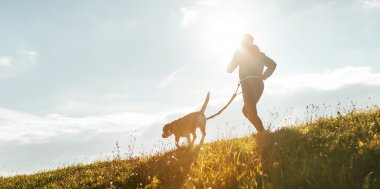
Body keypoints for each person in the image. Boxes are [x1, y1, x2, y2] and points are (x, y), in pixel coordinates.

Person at [227, 34, 276, 133]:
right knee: (246, 110)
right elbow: (273, 65)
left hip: (248, 84)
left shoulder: (239, 53)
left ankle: (263, 133)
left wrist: (234, 59)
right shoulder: (260, 54)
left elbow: (229, 69)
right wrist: (264, 76)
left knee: (250, 111)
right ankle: (261, 132)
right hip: (259, 83)